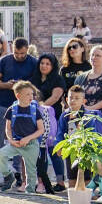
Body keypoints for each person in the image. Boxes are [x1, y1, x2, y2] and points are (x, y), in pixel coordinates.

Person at [0, 80, 44, 194]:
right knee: (0, 154)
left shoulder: (35, 110)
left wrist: (28, 138)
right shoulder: (11, 110)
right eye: (27, 94)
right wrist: (11, 140)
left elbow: (41, 129)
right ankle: (8, 176)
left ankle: (30, 191)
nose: (31, 96)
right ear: (18, 95)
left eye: (32, 94)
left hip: (30, 144)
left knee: (30, 170)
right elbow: (8, 128)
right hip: (16, 143)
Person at [72, 45, 102, 137]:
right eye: (92, 55)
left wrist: (91, 109)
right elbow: (74, 95)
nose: (94, 58)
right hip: (83, 120)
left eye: (98, 55)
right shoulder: (80, 78)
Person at [33, 55, 67, 188]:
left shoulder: (58, 79)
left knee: (54, 150)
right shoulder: (34, 79)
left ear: (52, 66)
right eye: (42, 63)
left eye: (48, 64)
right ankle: (43, 181)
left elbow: (55, 97)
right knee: (41, 151)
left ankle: (60, 182)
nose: (44, 66)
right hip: (37, 120)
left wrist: (39, 108)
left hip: (53, 118)